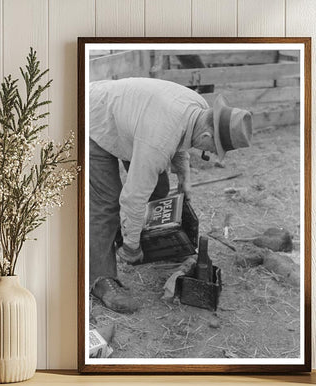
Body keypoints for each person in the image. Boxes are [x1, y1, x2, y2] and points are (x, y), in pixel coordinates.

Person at [89, 77, 252, 313]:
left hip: (130, 121)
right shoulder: (159, 138)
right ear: (207, 138)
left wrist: (184, 177)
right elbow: (132, 198)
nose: (205, 152)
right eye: (209, 150)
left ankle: (134, 237)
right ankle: (100, 280)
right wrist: (132, 248)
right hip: (95, 119)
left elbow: (180, 138)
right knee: (107, 204)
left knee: (159, 188)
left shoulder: (196, 107)